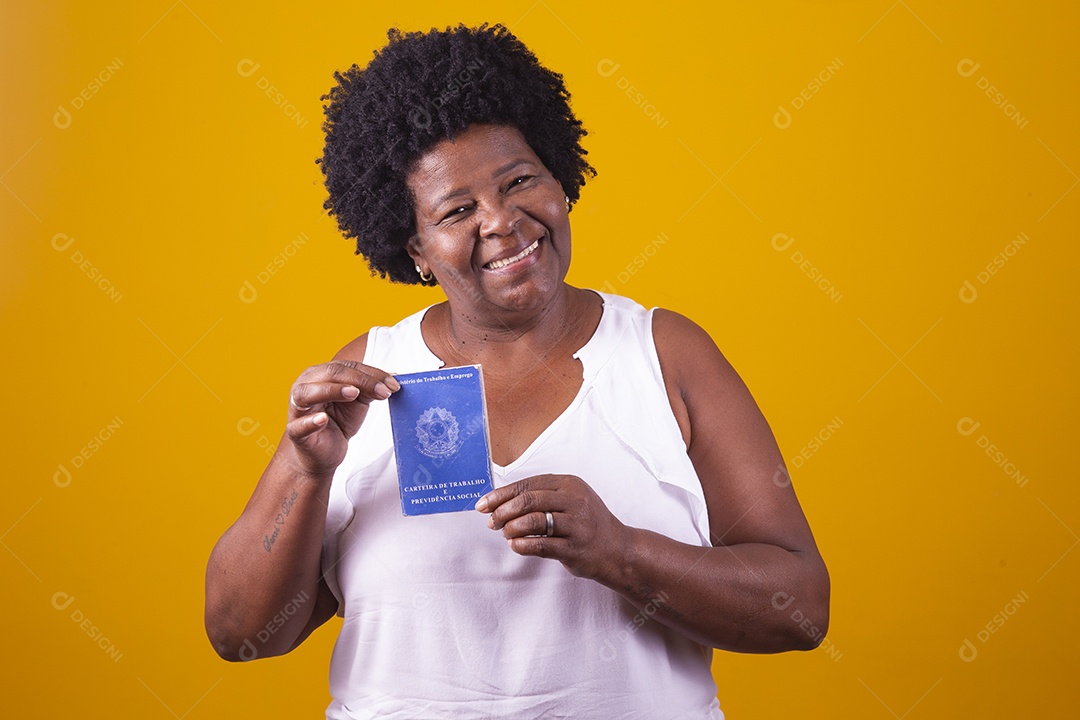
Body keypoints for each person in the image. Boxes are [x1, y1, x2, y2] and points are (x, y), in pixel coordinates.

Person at [205, 23, 829, 719]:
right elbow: (242, 635)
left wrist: (621, 553)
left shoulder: (666, 355)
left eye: (519, 180)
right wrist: (305, 469)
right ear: (415, 247)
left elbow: (799, 607)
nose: (501, 222)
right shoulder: (367, 377)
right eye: (458, 210)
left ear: (559, 178)